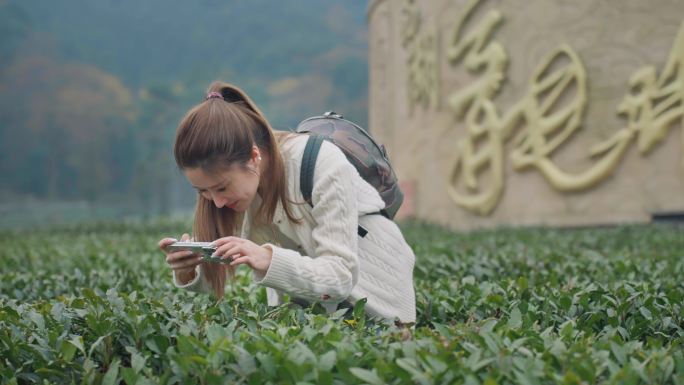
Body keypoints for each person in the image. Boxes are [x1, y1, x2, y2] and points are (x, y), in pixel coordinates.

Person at [158, 81, 416, 323]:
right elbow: (213, 284)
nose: (216, 202)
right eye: (202, 191)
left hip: (379, 311)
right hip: (313, 319)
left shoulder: (322, 163)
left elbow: (340, 277)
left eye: (221, 188)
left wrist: (266, 257)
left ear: (253, 156)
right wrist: (188, 269)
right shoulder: (232, 189)